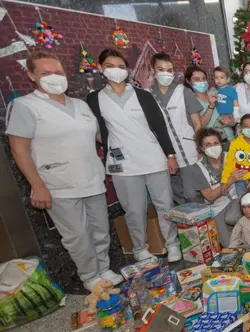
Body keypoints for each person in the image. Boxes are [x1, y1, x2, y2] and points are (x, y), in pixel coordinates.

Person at [6, 51, 123, 291]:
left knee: (100, 229)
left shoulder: (80, 105)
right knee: (77, 235)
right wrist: (37, 186)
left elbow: (99, 136)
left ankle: (104, 269)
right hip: (58, 183)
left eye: (58, 72)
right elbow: (19, 151)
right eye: (45, 73)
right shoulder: (24, 106)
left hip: (91, 177)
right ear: (32, 76)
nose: (54, 77)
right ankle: (90, 276)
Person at [86, 49, 181, 262]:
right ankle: (140, 248)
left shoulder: (142, 96)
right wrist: (111, 143)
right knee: (134, 209)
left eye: (121, 67)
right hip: (123, 165)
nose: (116, 70)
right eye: (110, 66)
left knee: (165, 205)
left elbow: (160, 127)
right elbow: (94, 130)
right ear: (100, 68)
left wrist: (170, 155)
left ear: (127, 70)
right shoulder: (95, 99)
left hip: (153, 158)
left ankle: (172, 244)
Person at [148, 52, 202, 204]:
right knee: (172, 194)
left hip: (188, 149)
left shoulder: (183, 91)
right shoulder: (147, 95)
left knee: (192, 193)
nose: (165, 73)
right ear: (152, 70)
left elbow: (197, 124)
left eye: (169, 70)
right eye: (160, 69)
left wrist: (200, 147)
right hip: (161, 153)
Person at [183, 128, 242, 245]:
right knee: (229, 245)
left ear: (221, 143)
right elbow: (210, 197)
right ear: (201, 148)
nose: (213, 147)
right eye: (208, 145)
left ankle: (246, 228)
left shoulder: (232, 156)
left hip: (237, 199)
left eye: (215, 143)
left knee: (231, 217)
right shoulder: (197, 168)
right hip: (217, 208)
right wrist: (231, 180)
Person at [186, 66, 233, 142]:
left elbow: (232, 116)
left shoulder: (216, 93)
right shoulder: (192, 101)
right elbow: (200, 126)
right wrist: (211, 106)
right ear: (188, 81)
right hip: (213, 143)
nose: (201, 82)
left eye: (203, 79)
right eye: (196, 79)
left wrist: (231, 122)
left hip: (231, 138)